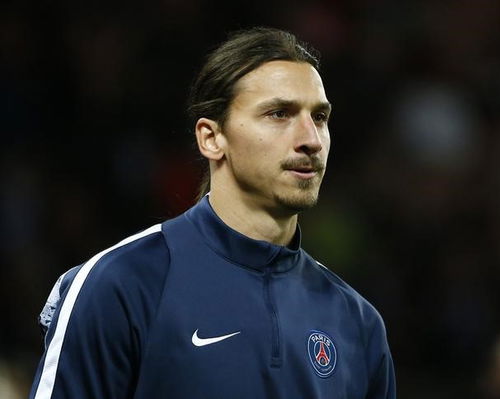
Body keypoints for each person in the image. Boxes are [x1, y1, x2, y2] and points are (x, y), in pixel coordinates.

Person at [28, 27, 396, 399]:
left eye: (319, 117)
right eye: (279, 113)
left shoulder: (356, 322)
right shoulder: (121, 285)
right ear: (211, 138)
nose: (311, 140)